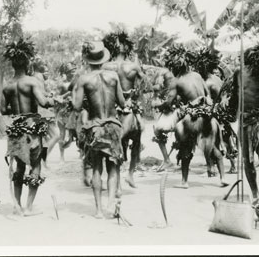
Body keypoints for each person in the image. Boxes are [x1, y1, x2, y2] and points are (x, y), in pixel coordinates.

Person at [153, 44, 228, 188]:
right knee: (215, 147)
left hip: (192, 118)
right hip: (207, 113)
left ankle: (184, 182)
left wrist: (159, 105)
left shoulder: (176, 81)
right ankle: (223, 177)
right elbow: (207, 95)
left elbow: (169, 103)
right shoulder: (197, 75)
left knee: (185, 149)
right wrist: (206, 108)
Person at [0, 38, 56, 216]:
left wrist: (15, 109)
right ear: (27, 62)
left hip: (16, 127)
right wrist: (54, 100)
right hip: (31, 127)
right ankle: (29, 207)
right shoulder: (32, 82)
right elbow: (43, 102)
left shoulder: (7, 86)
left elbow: (2, 109)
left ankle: (17, 206)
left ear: (13, 65)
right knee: (35, 166)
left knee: (19, 167)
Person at [72, 41, 126, 219]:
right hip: (112, 125)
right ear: (103, 58)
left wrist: (74, 94)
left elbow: (77, 106)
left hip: (95, 127)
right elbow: (122, 103)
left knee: (96, 169)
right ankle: (111, 204)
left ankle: (98, 211)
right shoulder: (113, 76)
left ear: (88, 59)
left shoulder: (83, 79)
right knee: (113, 168)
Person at [229, 42, 259, 204]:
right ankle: (257, 195)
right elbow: (235, 96)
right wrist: (230, 111)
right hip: (245, 120)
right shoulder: (239, 73)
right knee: (249, 161)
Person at [103, 30, 145, 188]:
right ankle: (131, 174)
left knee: (111, 141)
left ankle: (115, 177)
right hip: (128, 105)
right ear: (127, 48)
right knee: (138, 137)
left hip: (110, 106)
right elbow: (144, 85)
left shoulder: (106, 66)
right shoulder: (133, 66)